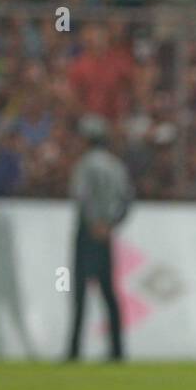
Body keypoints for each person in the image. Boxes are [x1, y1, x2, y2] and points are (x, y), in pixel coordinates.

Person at [66, 114, 132, 362]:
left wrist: (94, 223)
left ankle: (74, 350)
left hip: (87, 231)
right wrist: (110, 224)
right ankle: (117, 350)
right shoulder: (116, 165)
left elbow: (81, 196)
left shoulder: (85, 164)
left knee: (80, 294)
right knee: (109, 293)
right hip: (106, 234)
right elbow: (126, 199)